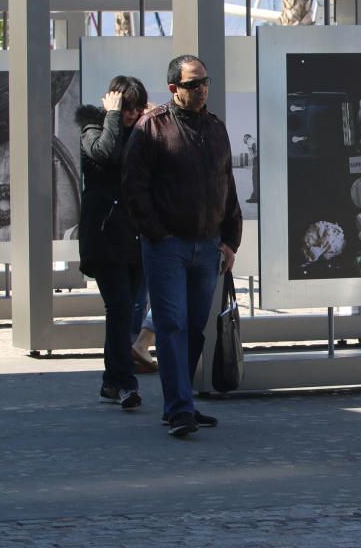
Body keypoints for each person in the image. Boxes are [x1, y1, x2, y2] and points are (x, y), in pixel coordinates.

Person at [122, 54, 242, 438]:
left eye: (205, 81)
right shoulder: (152, 127)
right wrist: (158, 233)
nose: (201, 89)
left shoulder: (216, 128)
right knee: (172, 326)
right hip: (167, 247)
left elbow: (228, 186)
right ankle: (178, 409)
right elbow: (133, 189)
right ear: (174, 88)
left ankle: (181, 401)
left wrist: (229, 241)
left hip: (207, 247)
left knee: (193, 328)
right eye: (193, 84)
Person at [76, 76, 149, 410]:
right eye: (127, 107)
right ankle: (125, 384)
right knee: (119, 308)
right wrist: (111, 116)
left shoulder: (142, 133)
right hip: (106, 238)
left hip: (136, 236)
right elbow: (105, 154)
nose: (132, 114)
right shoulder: (93, 128)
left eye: (136, 108)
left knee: (129, 311)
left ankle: (110, 381)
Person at [243, 133, 259, 204]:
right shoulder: (253, 139)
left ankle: (256, 197)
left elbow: (254, 145)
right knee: (256, 178)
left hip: (257, 159)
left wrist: (255, 155)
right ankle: (254, 196)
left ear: (247, 137)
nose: (243, 139)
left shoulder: (250, 140)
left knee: (255, 178)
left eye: (244, 137)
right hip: (258, 159)